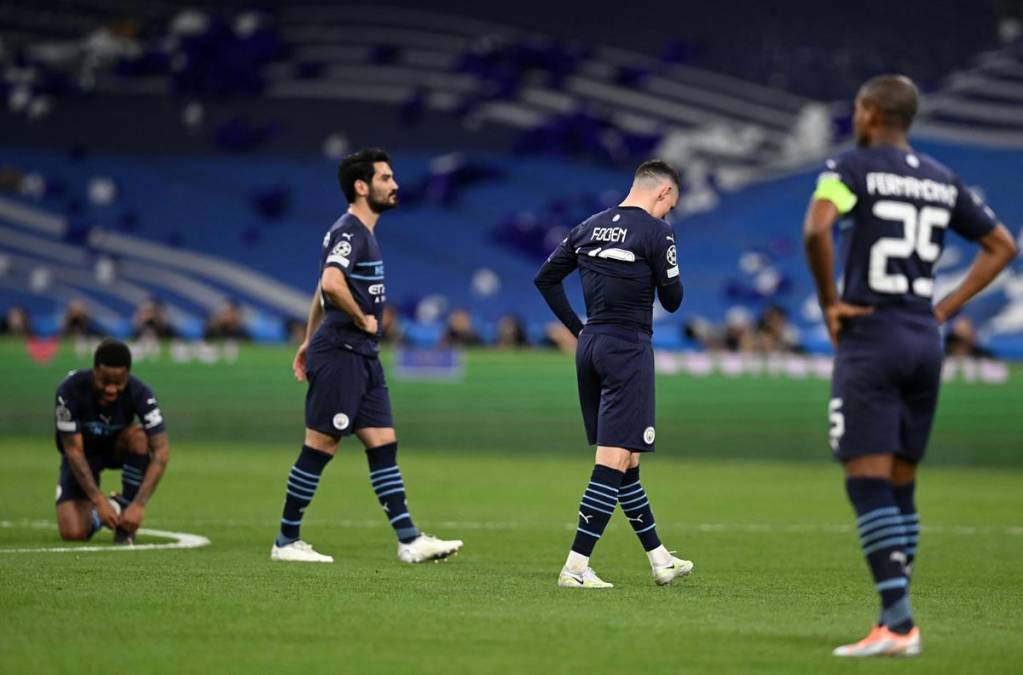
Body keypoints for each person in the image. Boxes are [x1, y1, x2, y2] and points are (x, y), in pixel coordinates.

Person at [803, 74, 1017, 657]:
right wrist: (944, 307)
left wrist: (828, 302)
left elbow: (817, 228)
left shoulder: (850, 169)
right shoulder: (943, 180)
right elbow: (1002, 245)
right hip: (923, 336)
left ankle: (897, 623)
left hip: (871, 332)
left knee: (866, 482)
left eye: (856, 108)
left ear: (870, 113)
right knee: (901, 485)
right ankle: (893, 616)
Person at [271, 148, 463, 563]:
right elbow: (331, 283)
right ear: (362, 187)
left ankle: (409, 540)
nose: (395, 185)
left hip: (361, 355)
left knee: (382, 442)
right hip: (342, 351)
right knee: (321, 445)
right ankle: (285, 541)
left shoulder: (361, 232)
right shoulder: (351, 231)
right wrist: (362, 318)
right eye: (385, 178)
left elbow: (320, 290)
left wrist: (306, 338)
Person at [534, 159, 693, 589]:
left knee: (628, 460)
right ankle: (576, 566)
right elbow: (674, 300)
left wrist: (578, 329)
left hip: (590, 345)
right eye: (671, 204)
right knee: (613, 459)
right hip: (627, 346)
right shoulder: (658, 233)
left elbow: (546, 279)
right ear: (663, 192)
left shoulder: (588, 226)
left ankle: (660, 559)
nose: (669, 213)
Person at [53, 338, 170, 544]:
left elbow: (161, 450)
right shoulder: (69, 391)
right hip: (82, 454)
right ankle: (116, 506)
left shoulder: (140, 393)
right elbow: (73, 451)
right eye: (105, 381)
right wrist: (100, 502)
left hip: (115, 448)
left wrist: (139, 504)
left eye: (118, 383)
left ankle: (127, 515)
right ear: (94, 371)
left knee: (140, 437)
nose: (111, 389)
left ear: (128, 375)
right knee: (73, 534)